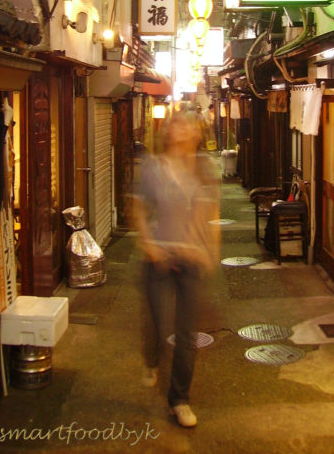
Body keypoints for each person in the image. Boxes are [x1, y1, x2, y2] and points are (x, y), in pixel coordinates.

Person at [129, 106, 220, 428]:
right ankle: (152, 357)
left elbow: (211, 210)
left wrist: (211, 248)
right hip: (160, 255)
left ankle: (179, 399)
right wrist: (148, 243)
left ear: (196, 133)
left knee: (186, 334)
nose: (182, 129)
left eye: (188, 125)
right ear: (169, 131)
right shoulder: (153, 167)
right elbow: (139, 209)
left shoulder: (203, 169)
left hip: (191, 256)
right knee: (157, 321)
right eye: (177, 124)